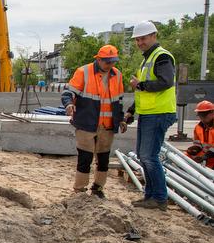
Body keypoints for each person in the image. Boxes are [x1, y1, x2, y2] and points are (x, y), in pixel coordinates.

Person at [123, 20, 177, 210]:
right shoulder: (147, 59)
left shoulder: (161, 57)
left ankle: (159, 198)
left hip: (159, 113)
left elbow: (166, 82)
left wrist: (141, 85)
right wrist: (131, 111)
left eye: (143, 39)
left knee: (149, 156)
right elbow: (141, 92)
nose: (140, 43)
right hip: (148, 113)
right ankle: (150, 196)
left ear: (154, 36)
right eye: (137, 40)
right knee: (143, 156)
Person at [61, 44, 127, 198]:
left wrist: (121, 119)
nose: (110, 65)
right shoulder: (84, 72)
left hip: (107, 125)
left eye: (112, 62)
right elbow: (68, 92)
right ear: (98, 59)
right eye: (106, 62)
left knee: (103, 159)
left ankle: (98, 188)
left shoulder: (117, 75)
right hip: (86, 123)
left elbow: (119, 101)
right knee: (85, 158)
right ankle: (80, 190)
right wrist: (69, 104)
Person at [187, 100, 214, 169]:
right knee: (186, 156)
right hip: (207, 155)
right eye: (200, 115)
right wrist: (195, 149)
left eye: (204, 115)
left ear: (212, 113)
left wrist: (206, 156)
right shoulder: (198, 127)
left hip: (210, 156)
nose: (202, 118)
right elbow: (197, 143)